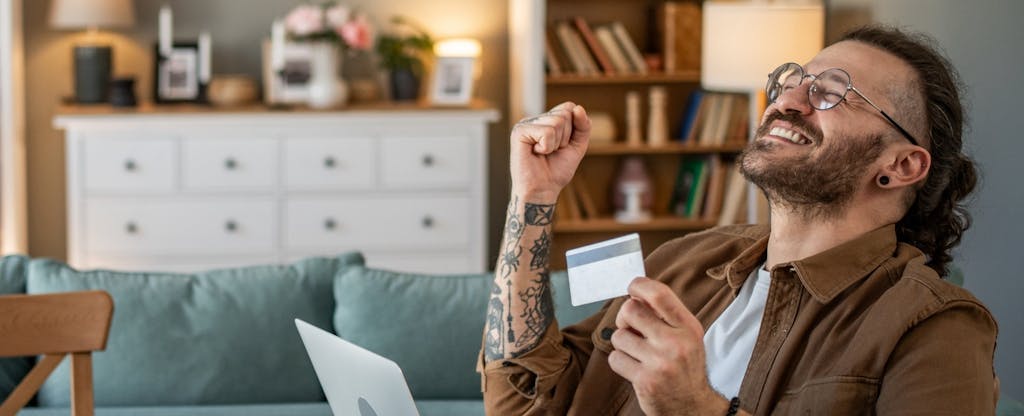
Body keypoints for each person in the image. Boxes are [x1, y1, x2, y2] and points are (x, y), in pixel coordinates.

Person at [478, 25, 998, 415]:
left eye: (833, 92)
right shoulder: (686, 260)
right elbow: (529, 399)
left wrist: (696, 407)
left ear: (901, 165)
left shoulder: (934, 325)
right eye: (792, 81)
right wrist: (533, 197)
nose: (787, 101)